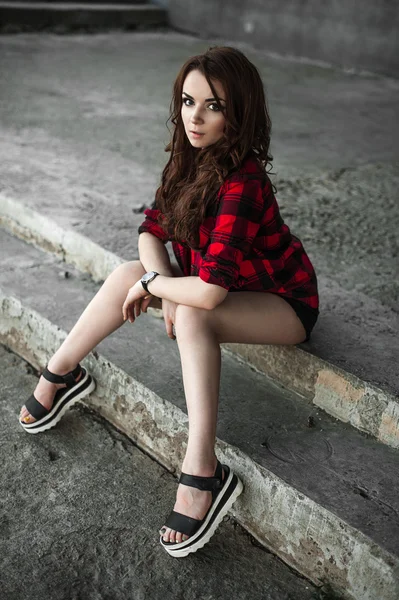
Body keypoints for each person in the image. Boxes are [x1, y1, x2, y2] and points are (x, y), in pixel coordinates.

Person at [18, 46, 319, 557]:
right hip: (211, 281)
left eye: (213, 106)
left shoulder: (243, 181)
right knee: (126, 273)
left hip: (282, 300)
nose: (194, 117)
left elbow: (210, 293)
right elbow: (151, 230)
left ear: (238, 112)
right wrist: (159, 277)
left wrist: (160, 289)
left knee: (196, 316)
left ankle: (204, 470)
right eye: (187, 101)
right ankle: (62, 370)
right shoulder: (188, 155)